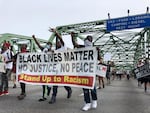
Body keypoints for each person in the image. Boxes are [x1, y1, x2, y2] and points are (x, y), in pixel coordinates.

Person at [71, 32, 97, 111]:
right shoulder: (82, 47)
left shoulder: (95, 49)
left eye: (89, 40)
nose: (88, 41)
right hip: (83, 71)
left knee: (92, 87)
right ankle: (87, 103)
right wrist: (72, 37)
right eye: (87, 40)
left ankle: (94, 100)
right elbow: (75, 44)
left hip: (91, 71)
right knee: (85, 89)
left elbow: (100, 59)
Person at [49, 28, 72, 104]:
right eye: (57, 43)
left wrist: (55, 32)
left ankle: (69, 90)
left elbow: (61, 39)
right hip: (56, 69)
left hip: (63, 68)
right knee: (55, 83)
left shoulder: (64, 47)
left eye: (59, 42)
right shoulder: (55, 51)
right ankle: (54, 97)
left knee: (63, 82)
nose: (57, 43)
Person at [32, 35, 52, 101]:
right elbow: (38, 44)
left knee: (48, 83)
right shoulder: (44, 50)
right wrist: (34, 38)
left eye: (49, 45)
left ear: (51, 46)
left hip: (49, 69)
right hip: (43, 69)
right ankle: (44, 96)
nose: (47, 45)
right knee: (44, 83)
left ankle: (47, 92)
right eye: (47, 44)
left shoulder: (52, 52)